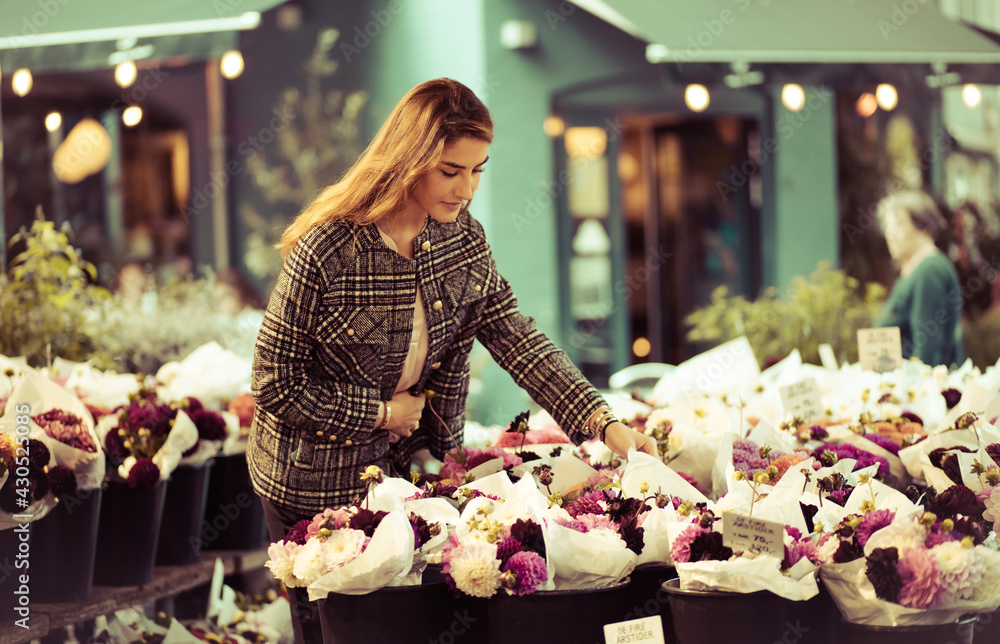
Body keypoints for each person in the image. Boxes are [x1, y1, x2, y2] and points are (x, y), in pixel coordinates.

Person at [247, 78, 657, 643]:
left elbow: (516, 337)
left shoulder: (463, 239)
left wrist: (603, 423)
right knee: (333, 631)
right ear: (408, 159)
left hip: (406, 471)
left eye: (478, 169)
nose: (467, 188)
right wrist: (381, 412)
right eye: (450, 170)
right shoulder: (327, 250)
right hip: (308, 479)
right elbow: (274, 383)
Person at [875, 190, 964, 367]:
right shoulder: (916, 269)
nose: (890, 234)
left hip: (921, 389)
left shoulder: (928, 271)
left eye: (899, 225)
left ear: (925, 228)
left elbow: (928, 350)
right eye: (887, 226)